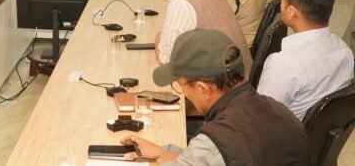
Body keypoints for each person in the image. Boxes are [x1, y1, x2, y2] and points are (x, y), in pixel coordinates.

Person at [121, 29, 309, 165]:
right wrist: (164, 151)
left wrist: (162, 161)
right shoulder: (280, 111)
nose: (184, 93)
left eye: (181, 86)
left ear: (203, 89)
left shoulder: (216, 141)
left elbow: (216, 152)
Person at [258, 0, 354, 120]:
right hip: (314, 134)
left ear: (291, 12)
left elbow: (259, 119)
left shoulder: (284, 64)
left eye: (281, 0)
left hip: (281, 134)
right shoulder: (344, 51)